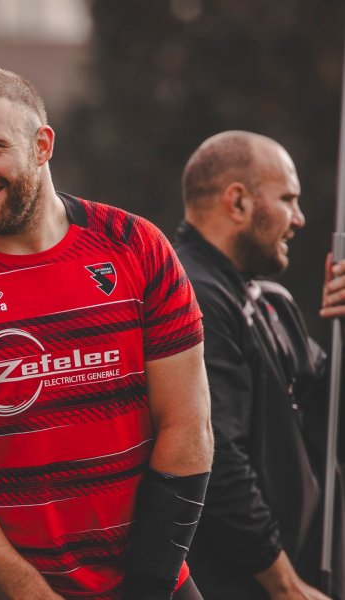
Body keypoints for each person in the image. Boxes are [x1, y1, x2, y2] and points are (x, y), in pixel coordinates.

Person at [0, 66, 214, 600]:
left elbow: (189, 430)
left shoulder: (135, 246)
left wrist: (147, 587)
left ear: (42, 145)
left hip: (152, 583)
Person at [175, 130, 345, 599]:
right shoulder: (191, 295)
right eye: (289, 199)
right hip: (243, 587)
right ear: (239, 202)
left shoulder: (271, 301)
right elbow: (216, 458)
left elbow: (331, 421)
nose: (300, 218)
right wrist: (285, 584)